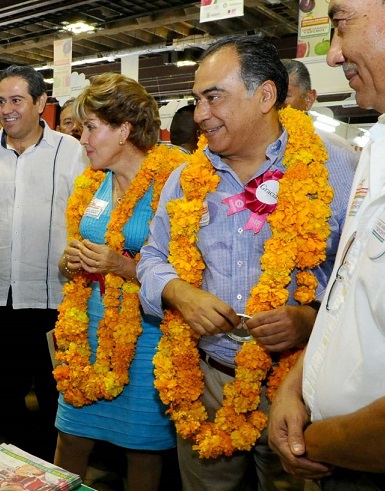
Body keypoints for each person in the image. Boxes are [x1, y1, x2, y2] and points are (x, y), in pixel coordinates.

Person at [137, 34, 354, 490]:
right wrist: (179, 292)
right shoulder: (185, 178)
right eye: (196, 100)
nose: (199, 115)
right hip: (205, 379)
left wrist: (310, 319)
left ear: (265, 96)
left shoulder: (341, 169)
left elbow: (360, 281)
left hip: (300, 387)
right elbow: (153, 257)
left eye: (213, 97)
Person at [269, 0, 385, 487]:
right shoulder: (378, 141)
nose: (333, 54)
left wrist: (308, 443)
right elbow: (348, 296)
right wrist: (297, 386)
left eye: (340, 24)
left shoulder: (337, 158)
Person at [53, 73, 185, 491]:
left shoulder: (173, 182)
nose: (82, 139)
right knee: (70, 435)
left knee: (141, 448)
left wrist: (123, 267)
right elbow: (75, 256)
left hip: (147, 333)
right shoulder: (93, 181)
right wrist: (71, 261)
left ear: (124, 129)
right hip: (88, 327)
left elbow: (188, 271)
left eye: (90, 127)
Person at [0, 65, 88, 460]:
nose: (7, 109)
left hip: (54, 300)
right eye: (1, 100)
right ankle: (5, 472)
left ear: (41, 103)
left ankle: (51, 473)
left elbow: (82, 220)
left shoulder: (70, 151)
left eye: (17, 100)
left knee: (54, 400)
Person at [282, 58, 359, 159]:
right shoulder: (257, 146)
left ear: (309, 99)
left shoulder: (339, 152)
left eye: (285, 96)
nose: (273, 103)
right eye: (268, 96)